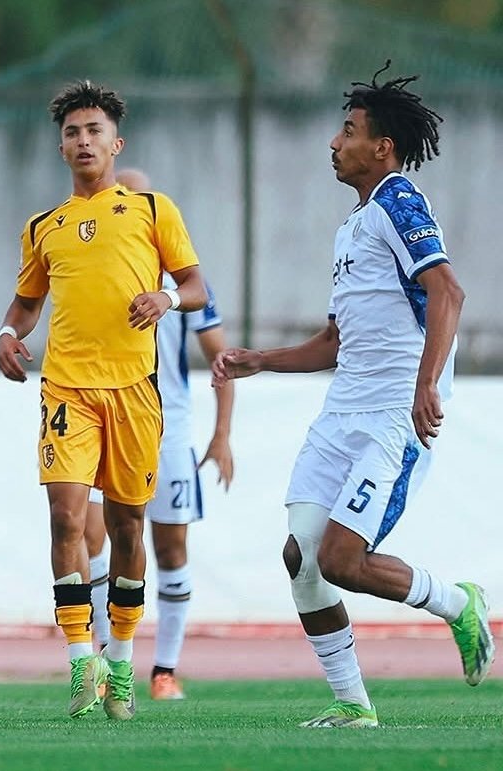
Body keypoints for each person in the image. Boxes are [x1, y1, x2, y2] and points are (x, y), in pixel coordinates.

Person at [212, 63, 494, 728]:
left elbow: (448, 292)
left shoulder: (399, 200)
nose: (335, 143)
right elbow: (336, 342)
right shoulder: (353, 225)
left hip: (393, 416)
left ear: (382, 147)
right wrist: (260, 360)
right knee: (300, 556)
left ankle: (459, 602)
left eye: (348, 131)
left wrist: (425, 384)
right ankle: (352, 705)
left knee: (341, 560)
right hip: (341, 412)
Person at [0, 82, 209, 721]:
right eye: (72, 132)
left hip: (135, 392)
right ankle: (79, 660)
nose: (83, 141)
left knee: (126, 528)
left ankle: (121, 659)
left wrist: (166, 297)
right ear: (61, 147)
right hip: (66, 388)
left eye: (94, 131)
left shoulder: (152, 211)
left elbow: (196, 286)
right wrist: (7, 334)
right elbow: (27, 302)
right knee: (65, 517)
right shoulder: (44, 227)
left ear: (117, 144)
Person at [84, 168, 235, 702]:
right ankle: (106, 660)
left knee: (169, 550)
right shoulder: (91, 265)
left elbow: (222, 359)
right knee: (90, 537)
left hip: (168, 432)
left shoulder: (184, 284)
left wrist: (221, 435)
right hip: (103, 422)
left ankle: (164, 670)